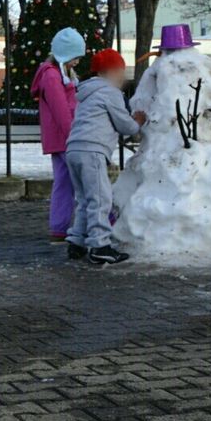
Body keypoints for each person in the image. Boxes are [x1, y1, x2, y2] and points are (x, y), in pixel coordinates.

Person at [65, 48, 146, 266]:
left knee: (84, 198)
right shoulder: (110, 93)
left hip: (73, 149)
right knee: (101, 198)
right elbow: (125, 125)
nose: (123, 77)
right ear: (111, 71)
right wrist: (137, 121)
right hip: (92, 151)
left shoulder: (86, 92)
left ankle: (77, 241)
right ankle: (100, 246)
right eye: (121, 72)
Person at [31, 28, 85, 242]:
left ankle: (59, 227)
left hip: (59, 138)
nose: (77, 63)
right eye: (75, 58)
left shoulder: (53, 74)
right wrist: (74, 136)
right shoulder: (53, 76)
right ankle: (106, 220)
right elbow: (62, 110)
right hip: (66, 138)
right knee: (85, 180)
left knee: (64, 182)